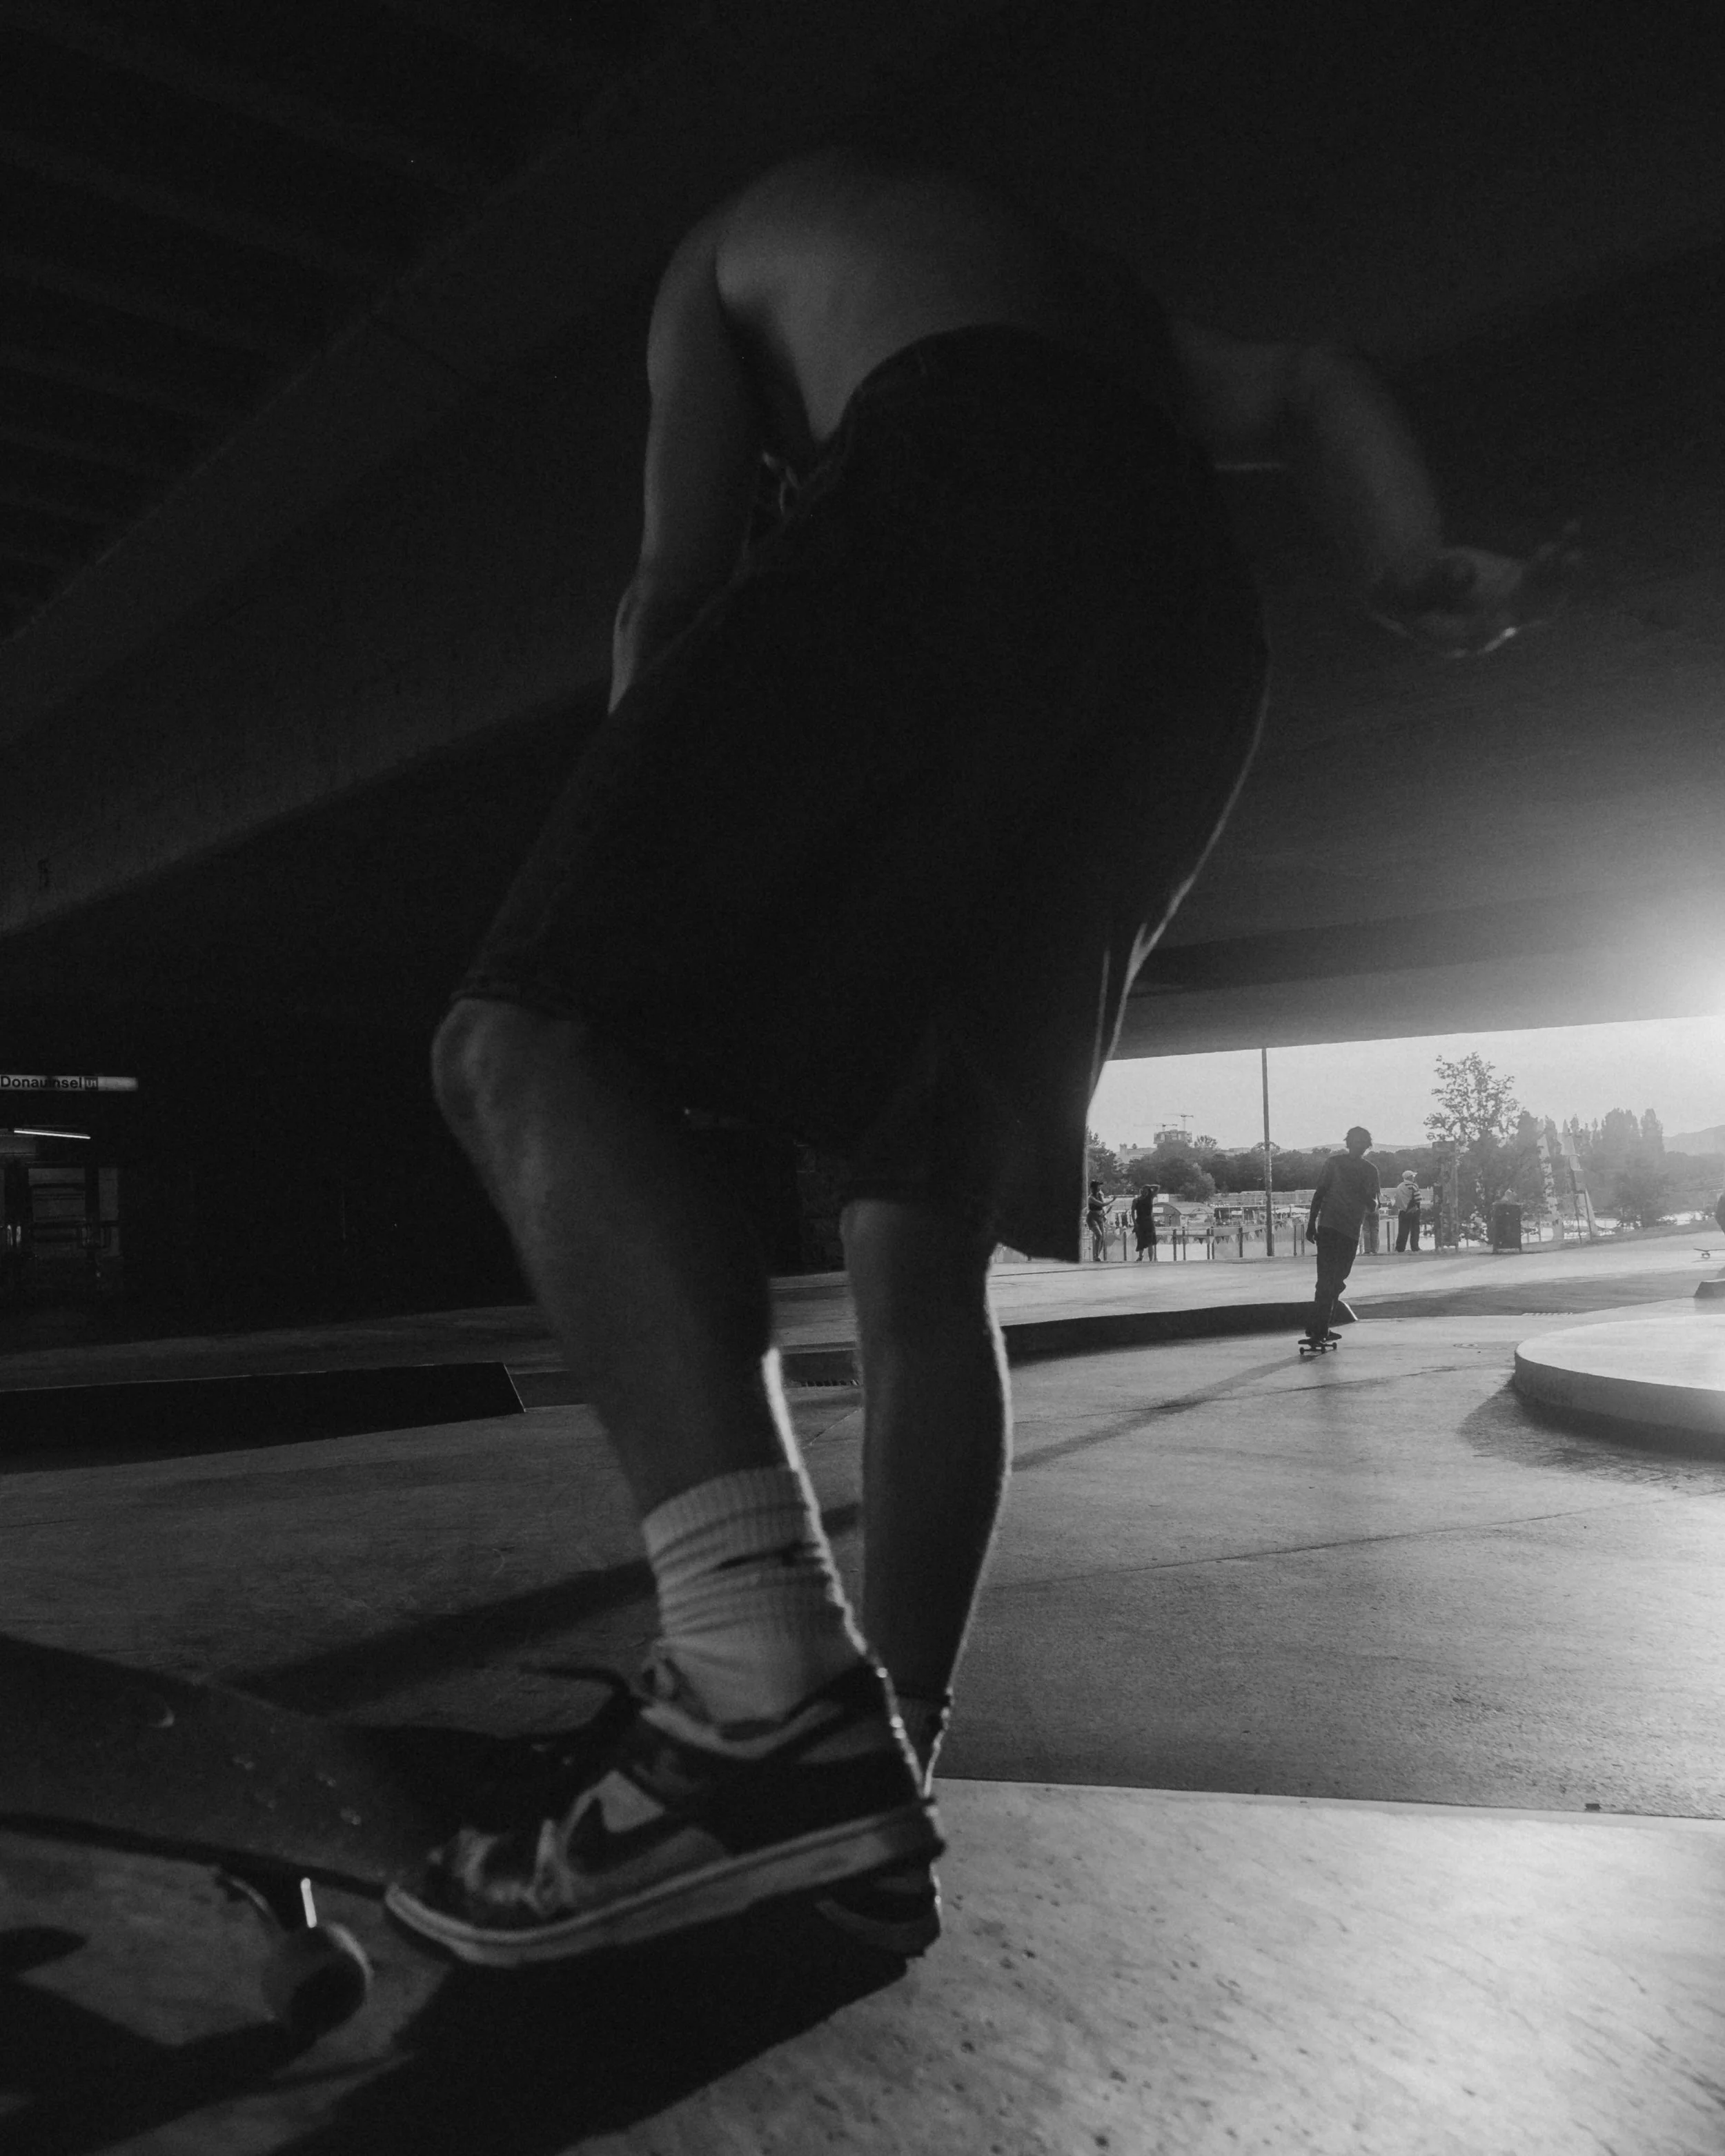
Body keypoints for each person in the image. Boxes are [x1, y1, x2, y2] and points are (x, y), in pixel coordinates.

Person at [395, 147, 1545, 1968]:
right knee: (915, 1237)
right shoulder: (1084, 291)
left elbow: (672, 580)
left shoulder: (719, 251)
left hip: (950, 487)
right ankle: (869, 1791)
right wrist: (1403, 557)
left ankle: (752, 1703)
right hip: (1181, 627)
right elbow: (1315, 382)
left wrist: (634, 838)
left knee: (527, 1034)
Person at [1304, 1127, 1382, 1342]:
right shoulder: (1335, 1164)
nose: (1358, 1146)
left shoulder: (1369, 1170)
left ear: (1367, 1145)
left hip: (1348, 1230)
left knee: (1335, 1280)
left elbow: (1375, 1205)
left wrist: (1364, 1196)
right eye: (1355, 1142)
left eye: (1361, 1143)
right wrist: (1311, 1223)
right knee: (1329, 1279)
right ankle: (1320, 1327)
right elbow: (1320, 1193)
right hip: (1332, 1227)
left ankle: (1319, 1325)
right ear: (1349, 1143)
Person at [1394, 1169, 1423, 1252]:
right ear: (1409, 1177)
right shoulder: (1413, 1186)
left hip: (1403, 1211)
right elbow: (1418, 1199)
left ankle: (1400, 1248)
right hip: (1413, 1210)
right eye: (1413, 1176)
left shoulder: (1399, 1187)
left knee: (1402, 1230)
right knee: (1415, 1230)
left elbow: (1396, 1200)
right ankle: (1415, 1247)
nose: (1414, 1178)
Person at [1131, 1183, 1160, 1261]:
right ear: (1141, 1191)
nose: (1144, 1192)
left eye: (1146, 1191)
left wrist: (1149, 1186)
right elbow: (1133, 1212)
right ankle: (1140, 1256)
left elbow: (1157, 1187)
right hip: (1140, 1221)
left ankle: (1151, 1259)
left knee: (1151, 1242)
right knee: (1141, 1239)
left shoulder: (1150, 1198)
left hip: (1149, 1221)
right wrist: (1135, 1223)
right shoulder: (1136, 1200)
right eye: (1143, 1190)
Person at [1086, 1179, 1110, 1263]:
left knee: (1102, 1237)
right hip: (1092, 1217)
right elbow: (1101, 1204)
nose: (1100, 1188)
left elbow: (1102, 1207)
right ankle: (1096, 1255)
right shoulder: (1091, 1197)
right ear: (1094, 1188)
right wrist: (1112, 1200)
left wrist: (1104, 1214)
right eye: (1098, 1186)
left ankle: (1097, 1256)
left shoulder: (1100, 1195)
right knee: (1099, 1235)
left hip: (1100, 1216)